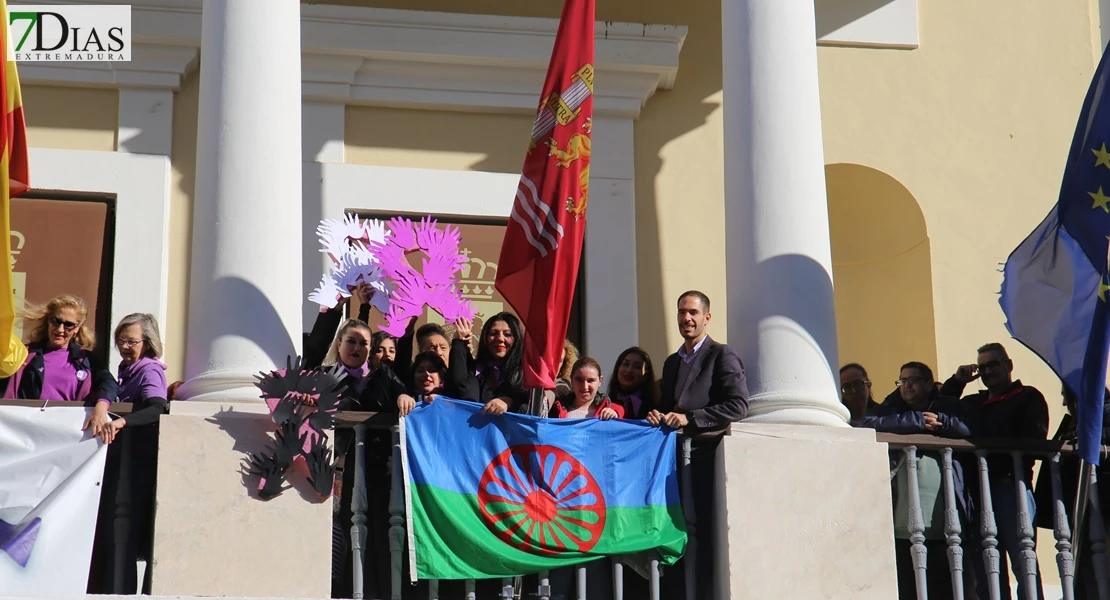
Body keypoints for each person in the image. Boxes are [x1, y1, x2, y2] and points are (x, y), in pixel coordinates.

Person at [649, 290, 748, 600]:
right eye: (681, 312)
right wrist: (656, 415)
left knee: (703, 534)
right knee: (677, 533)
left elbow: (738, 406)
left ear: (707, 317)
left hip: (706, 461)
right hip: (675, 463)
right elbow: (668, 407)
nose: (686, 318)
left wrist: (690, 419)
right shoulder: (671, 362)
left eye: (692, 312)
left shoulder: (722, 355)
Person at [940, 342, 1048, 600]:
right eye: (982, 367)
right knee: (989, 564)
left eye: (993, 364)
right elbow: (942, 406)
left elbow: (1034, 438)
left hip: (1010, 487)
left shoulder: (1028, 396)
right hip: (977, 492)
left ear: (1008, 365)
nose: (988, 371)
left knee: (1023, 561)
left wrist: (977, 430)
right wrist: (958, 381)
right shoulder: (974, 401)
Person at [861, 362, 975, 600]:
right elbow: (866, 424)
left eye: (912, 380)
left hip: (946, 515)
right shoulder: (892, 409)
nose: (906, 385)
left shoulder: (948, 406)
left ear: (928, 383)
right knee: (909, 583)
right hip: (903, 519)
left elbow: (975, 426)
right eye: (902, 380)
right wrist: (916, 421)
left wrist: (943, 421)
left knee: (947, 584)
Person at [88, 313, 169, 594]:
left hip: (137, 462)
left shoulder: (149, 370)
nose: (124, 346)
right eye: (120, 340)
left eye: (131, 341)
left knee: (124, 533)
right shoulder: (126, 369)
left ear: (147, 343)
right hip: (123, 461)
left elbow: (158, 407)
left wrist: (122, 421)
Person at [1, 294, 118, 439]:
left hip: (67, 435)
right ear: (48, 321)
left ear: (77, 328)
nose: (60, 329)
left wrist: (101, 407)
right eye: (56, 321)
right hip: (26, 435)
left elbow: (109, 384)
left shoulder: (86, 361)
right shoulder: (25, 355)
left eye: (68, 325)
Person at [448, 312, 526, 414]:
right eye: (493, 333)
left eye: (507, 334)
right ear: (485, 338)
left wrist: (509, 402)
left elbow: (531, 408)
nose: (500, 339)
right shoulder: (476, 370)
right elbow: (457, 386)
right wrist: (459, 343)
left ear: (517, 339)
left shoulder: (526, 372)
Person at [549, 357, 623, 419]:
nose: (585, 386)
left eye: (591, 380)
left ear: (600, 381)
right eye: (579, 380)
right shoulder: (555, 410)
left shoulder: (613, 410)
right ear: (571, 379)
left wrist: (614, 415)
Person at [607, 346, 659, 420]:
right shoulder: (606, 403)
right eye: (626, 364)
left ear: (645, 374)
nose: (629, 370)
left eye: (637, 367)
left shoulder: (655, 406)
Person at [554, 339, 580, 405]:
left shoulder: (563, 386)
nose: (554, 364)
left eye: (559, 360)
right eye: (552, 359)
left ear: (564, 365)